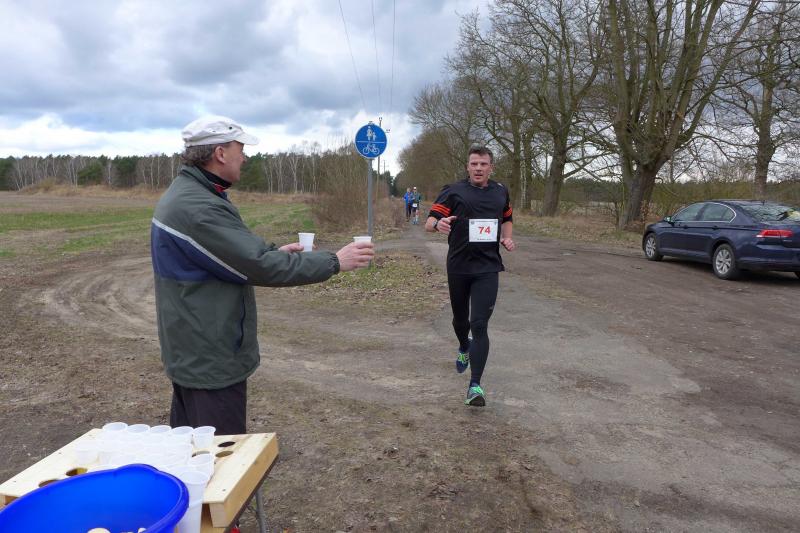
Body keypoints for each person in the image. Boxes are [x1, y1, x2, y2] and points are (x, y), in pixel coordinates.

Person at [151, 115, 375, 434]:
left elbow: (231, 256)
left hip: (193, 349)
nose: (245, 157)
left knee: (195, 449)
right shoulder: (199, 207)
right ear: (220, 153)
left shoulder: (191, 194)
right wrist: (335, 261)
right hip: (208, 356)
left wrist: (274, 253)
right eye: (240, 149)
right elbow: (257, 265)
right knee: (223, 457)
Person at [425, 145, 514, 406]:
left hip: (488, 267)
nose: (478, 168)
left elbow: (507, 217)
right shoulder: (453, 191)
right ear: (467, 166)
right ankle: (464, 346)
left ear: (491, 167)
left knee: (480, 324)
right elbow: (429, 222)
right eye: (474, 164)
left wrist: (507, 238)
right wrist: (438, 224)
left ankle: (475, 386)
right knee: (460, 321)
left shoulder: (500, 191)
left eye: (483, 164)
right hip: (459, 266)